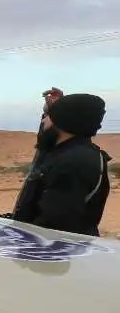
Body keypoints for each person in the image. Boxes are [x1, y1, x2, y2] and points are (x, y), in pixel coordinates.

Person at [8, 91, 110, 236]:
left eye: (49, 117)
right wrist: (52, 109)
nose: (44, 121)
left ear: (63, 122)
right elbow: (44, 144)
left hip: (51, 253)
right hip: (48, 249)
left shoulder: (74, 163)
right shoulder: (66, 152)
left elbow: (52, 226)